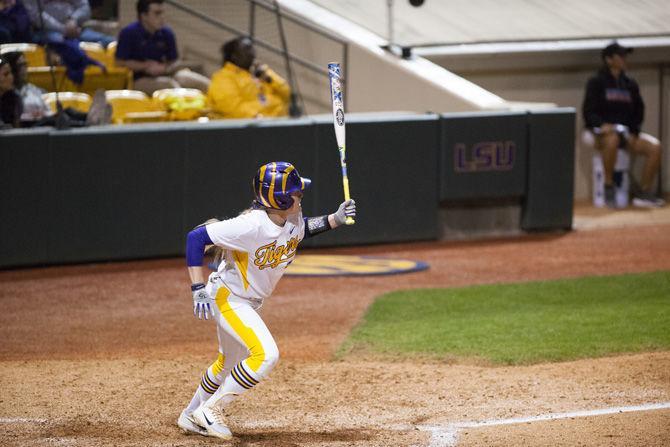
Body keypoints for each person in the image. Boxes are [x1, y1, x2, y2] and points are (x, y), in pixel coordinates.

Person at [177, 161, 356, 439]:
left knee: (226, 365)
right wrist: (197, 288)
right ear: (281, 199)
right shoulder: (250, 225)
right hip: (230, 298)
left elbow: (300, 231)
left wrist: (334, 219)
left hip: (246, 300)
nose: (301, 196)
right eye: (297, 193)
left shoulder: (290, 218)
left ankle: (190, 415)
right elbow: (196, 237)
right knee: (266, 355)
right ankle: (211, 410)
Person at [582, 41, 664, 208]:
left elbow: (639, 111)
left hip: (625, 131)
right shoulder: (596, 82)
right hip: (600, 132)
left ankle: (644, 192)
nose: (625, 59)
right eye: (621, 56)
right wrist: (601, 125)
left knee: (655, 147)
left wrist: (634, 131)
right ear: (609, 60)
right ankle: (609, 185)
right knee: (612, 140)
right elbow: (588, 112)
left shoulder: (630, 84)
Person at [115, 0, 210, 95]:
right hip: (139, 78)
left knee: (203, 83)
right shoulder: (128, 33)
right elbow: (119, 62)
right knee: (170, 86)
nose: (162, 17)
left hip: (166, 73)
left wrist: (164, 67)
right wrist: (145, 66)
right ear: (144, 16)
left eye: (162, 13)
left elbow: (173, 61)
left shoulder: (167, 32)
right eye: (157, 13)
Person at [4, 50, 110, 126]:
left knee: (68, 111)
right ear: (13, 69)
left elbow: (46, 109)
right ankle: (87, 124)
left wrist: (45, 113)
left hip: (41, 121)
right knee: (55, 120)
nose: (25, 69)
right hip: (28, 127)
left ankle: (92, 117)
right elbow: (14, 120)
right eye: (21, 65)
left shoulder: (32, 89)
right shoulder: (8, 94)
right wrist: (33, 115)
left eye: (25, 64)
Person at [207, 36, 291, 119]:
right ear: (234, 56)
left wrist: (269, 76)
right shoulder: (223, 78)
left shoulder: (261, 74)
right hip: (254, 128)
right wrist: (260, 118)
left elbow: (287, 94)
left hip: (279, 123)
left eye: (252, 48)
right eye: (247, 49)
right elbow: (233, 108)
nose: (252, 53)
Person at [23, 0, 114, 47]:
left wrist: (73, 19)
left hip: (75, 29)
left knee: (110, 42)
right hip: (46, 32)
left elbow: (85, 8)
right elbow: (36, 16)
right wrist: (63, 29)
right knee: (62, 43)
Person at [0, 54, 22, 128]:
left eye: (11, 73)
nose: (11, 77)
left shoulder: (15, 98)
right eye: (6, 74)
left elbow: (17, 132)